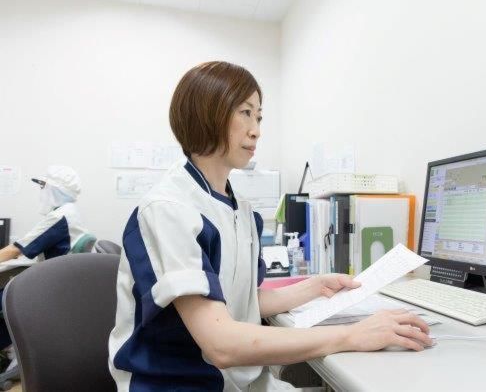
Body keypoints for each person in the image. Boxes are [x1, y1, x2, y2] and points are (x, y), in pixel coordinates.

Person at [108, 61, 433, 392]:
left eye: (259, 117)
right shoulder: (169, 210)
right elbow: (220, 344)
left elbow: (241, 300)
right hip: (180, 385)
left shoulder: (241, 209)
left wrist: (314, 286)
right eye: (245, 113)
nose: (256, 130)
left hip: (240, 382)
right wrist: (351, 335)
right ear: (206, 113)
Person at [0, 165, 89, 373]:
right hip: (58, 286)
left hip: (50, 290)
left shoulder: (59, 217)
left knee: (4, 300)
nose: (41, 192)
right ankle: (14, 356)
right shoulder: (70, 213)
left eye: (43, 186)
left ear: (56, 189)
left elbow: (16, 249)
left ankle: (15, 355)